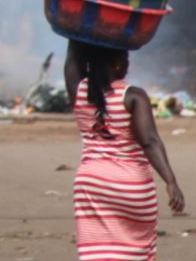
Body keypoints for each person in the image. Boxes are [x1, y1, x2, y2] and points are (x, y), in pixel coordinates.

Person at [65, 41, 184, 261]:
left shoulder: (79, 92)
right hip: (130, 187)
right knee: (133, 252)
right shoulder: (133, 96)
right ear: (119, 63)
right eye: (126, 59)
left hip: (91, 184)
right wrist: (170, 181)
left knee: (95, 252)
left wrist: (77, 31)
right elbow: (149, 141)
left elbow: (72, 58)